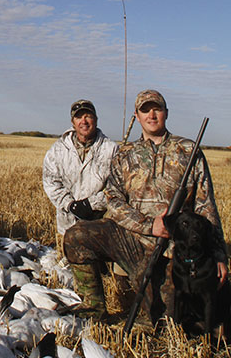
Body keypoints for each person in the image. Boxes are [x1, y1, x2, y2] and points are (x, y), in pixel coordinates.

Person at [64, 89, 228, 323]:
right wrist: (150, 226)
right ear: (137, 116)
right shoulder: (125, 154)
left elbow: (206, 208)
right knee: (77, 235)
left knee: (167, 318)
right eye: (145, 110)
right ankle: (93, 310)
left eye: (157, 109)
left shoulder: (189, 151)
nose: (151, 114)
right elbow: (114, 200)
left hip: (175, 250)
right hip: (132, 240)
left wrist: (219, 255)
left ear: (166, 113)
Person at [42, 99, 118, 255]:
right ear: (73, 122)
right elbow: (50, 181)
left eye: (88, 116)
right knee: (69, 266)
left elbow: (117, 186)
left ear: (96, 120)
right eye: (79, 117)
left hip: (99, 219)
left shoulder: (111, 149)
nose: (84, 121)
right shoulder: (58, 149)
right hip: (67, 221)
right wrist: (70, 205)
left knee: (99, 267)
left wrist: (91, 204)